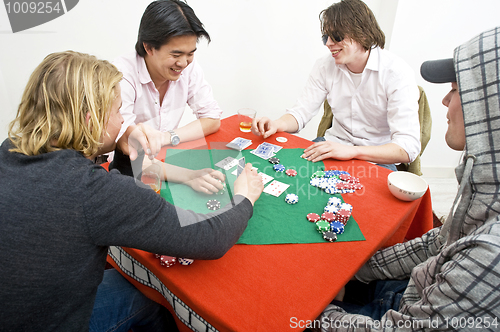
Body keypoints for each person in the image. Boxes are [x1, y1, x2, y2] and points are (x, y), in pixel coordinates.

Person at [0, 51, 263, 332]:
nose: (122, 122)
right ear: (91, 121)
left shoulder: (9, 147)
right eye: (117, 112)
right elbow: (210, 239)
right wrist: (244, 198)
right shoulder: (93, 192)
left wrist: (124, 153)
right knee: (158, 297)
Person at [313, 26, 500, 330]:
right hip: (416, 286)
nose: (444, 102)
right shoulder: (482, 197)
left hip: (400, 313)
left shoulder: (491, 251)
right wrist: (354, 270)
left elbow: (398, 328)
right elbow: (437, 243)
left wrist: (311, 311)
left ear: (488, 109)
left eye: (455, 90)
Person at [252, 0, 420, 171]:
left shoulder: (396, 72)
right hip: (332, 145)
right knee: (289, 178)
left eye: (337, 36)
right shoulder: (324, 66)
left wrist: (352, 152)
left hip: (376, 157)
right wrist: (277, 124)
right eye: (326, 37)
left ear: (363, 34)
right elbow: (301, 112)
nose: (328, 43)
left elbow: (408, 147)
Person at [112, 0, 225, 194]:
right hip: (127, 174)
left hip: (166, 161)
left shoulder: (188, 66)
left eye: (190, 54)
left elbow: (212, 119)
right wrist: (190, 176)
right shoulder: (121, 75)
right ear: (148, 47)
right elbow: (130, 151)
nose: (183, 63)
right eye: (176, 54)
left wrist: (166, 137)